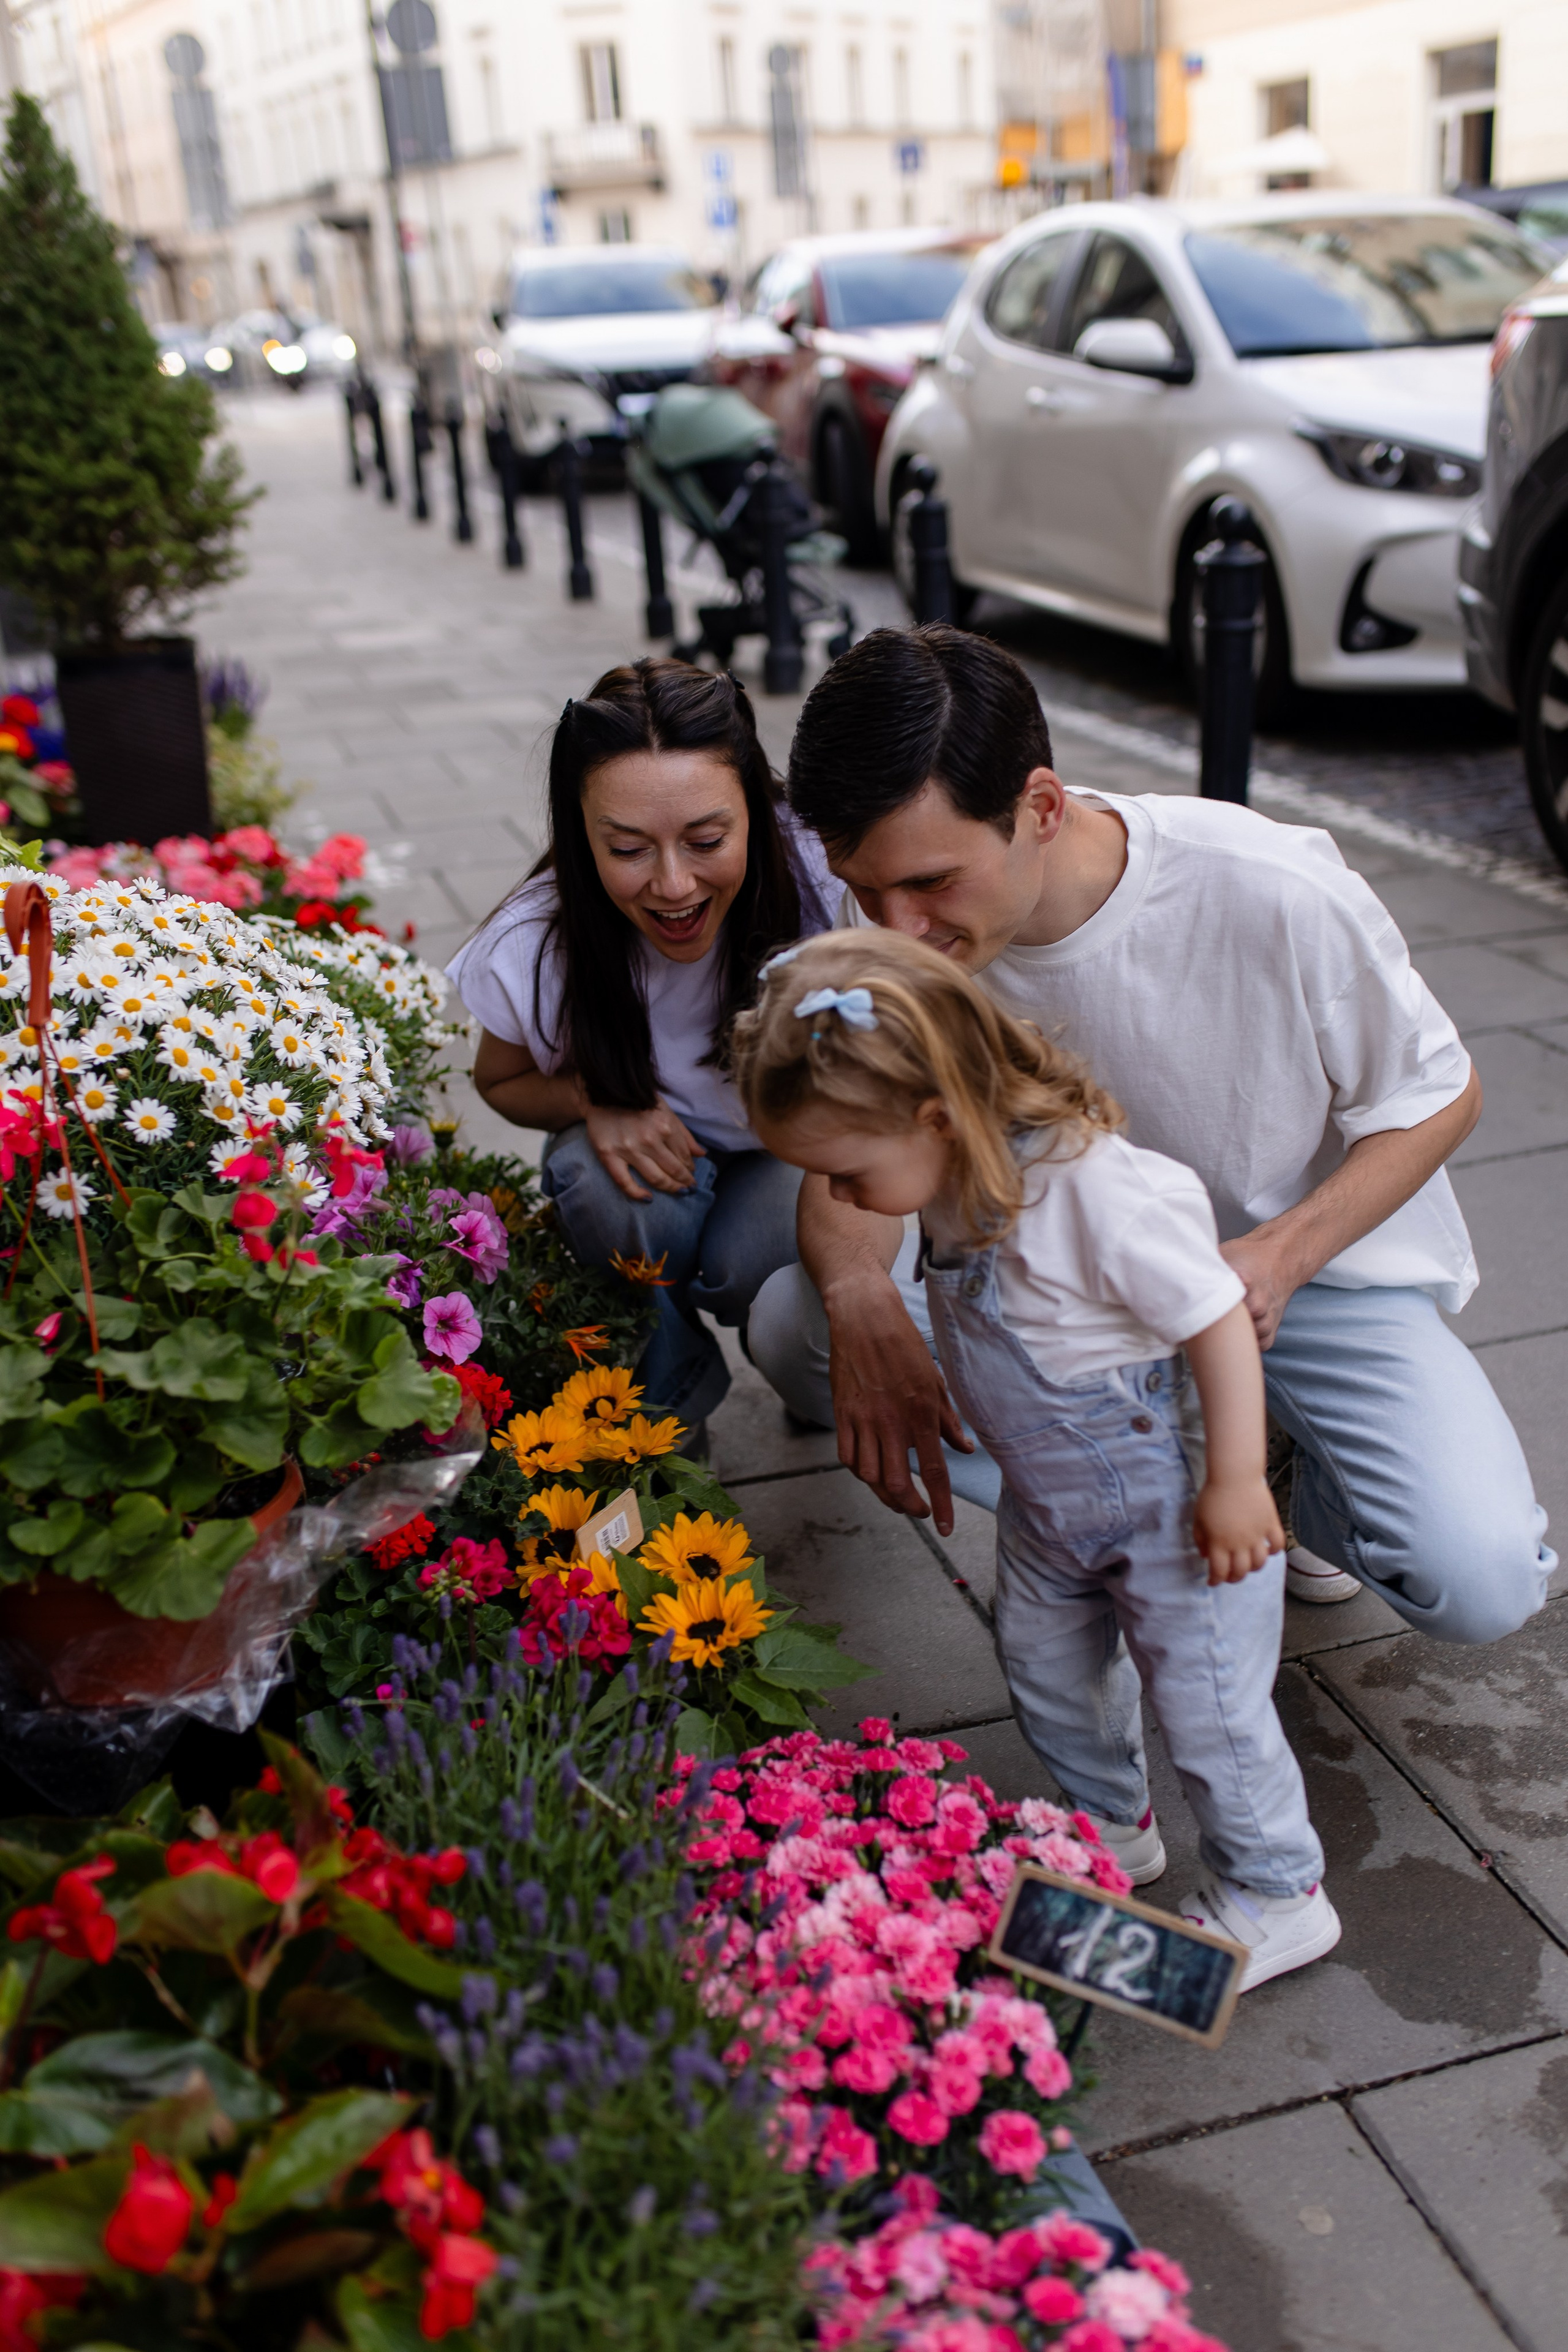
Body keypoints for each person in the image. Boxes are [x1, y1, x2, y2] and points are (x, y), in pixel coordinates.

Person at [749, 625, 1553, 1644]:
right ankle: (1157, 1508)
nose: (896, 929)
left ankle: (1281, 1474)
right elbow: (848, 1163)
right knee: (799, 1326)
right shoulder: (890, 941)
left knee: (1479, 1582)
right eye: (865, 887)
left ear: (1041, 808)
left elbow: (1443, 1095)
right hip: (1054, 1287)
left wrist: (1278, 1258)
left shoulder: (1272, 888)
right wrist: (861, 1291)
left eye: (934, 884)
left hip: (1301, 1283)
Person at [736, 929, 1340, 1986]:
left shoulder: (1091, 1192)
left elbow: (1217, 1322)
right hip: (1052, 1505)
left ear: (933, 1115)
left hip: (1172, 1502)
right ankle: (1112, 1826)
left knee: (1210, 1707)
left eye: (844, 1172)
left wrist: (1238, 1481)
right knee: (1048, 1670)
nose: (833, 1197)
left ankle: (1279, 1891)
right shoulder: (946, 1164)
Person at [448, 657, 834, 1434]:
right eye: (627, 849)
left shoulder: (826, 879)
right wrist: (593, 1100)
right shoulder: (536, 939)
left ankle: (791, 1356)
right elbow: (500, 1081)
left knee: (771, 1247)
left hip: (783, 1152)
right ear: (580, 834)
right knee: (600, 1188)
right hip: (650, 1170)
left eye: (706, 839)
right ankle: (667, 1400)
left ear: (756, 809)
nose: (673, 885)